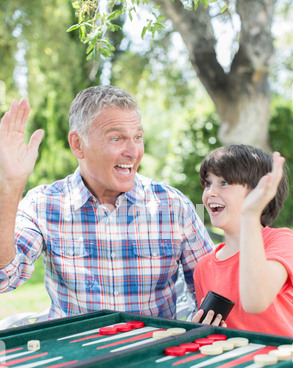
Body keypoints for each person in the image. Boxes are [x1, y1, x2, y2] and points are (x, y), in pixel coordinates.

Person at [0, 85, 214, 322]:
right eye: (116, 138)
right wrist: (9, 186)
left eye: (138, 137)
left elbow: (213, 290)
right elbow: (5, 278)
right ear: (78, 145)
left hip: (153, 352)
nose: (133, 152)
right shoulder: (43, 205)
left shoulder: (174, 207)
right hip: (76, 354)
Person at [192, 144, 293, 368]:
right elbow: (220, 345)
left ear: (259, 193)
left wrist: (252, 216)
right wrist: (207, 335)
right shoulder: (205, 268)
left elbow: (256, 300)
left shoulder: (281, 241)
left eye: (224, 183)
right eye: (208, 182)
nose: (211, 191)